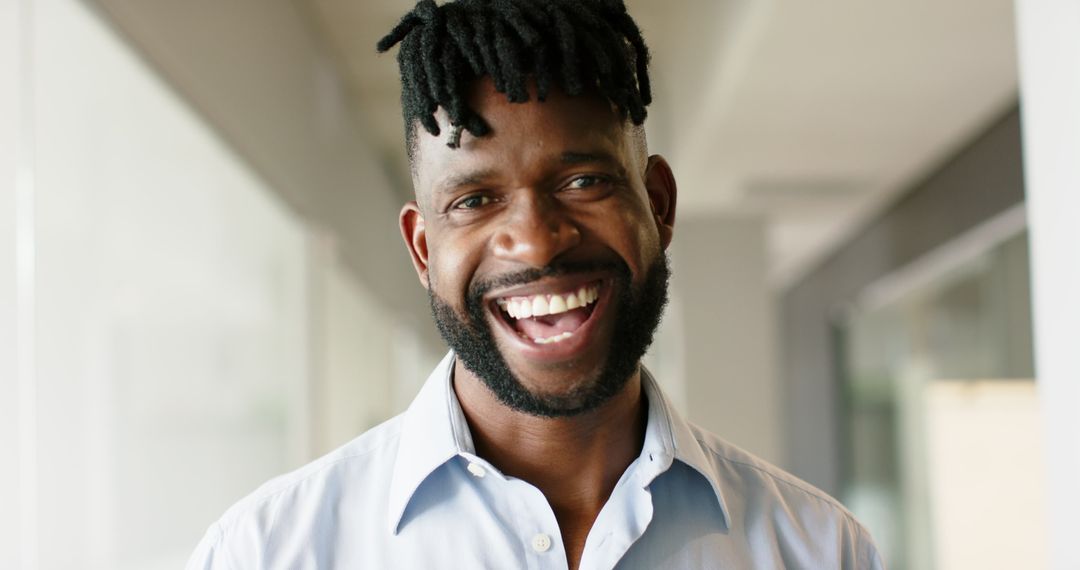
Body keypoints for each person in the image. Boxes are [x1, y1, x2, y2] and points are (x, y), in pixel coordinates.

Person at [187, 0, 884, 568]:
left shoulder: (820, 550)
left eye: (583, 182)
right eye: (474, 200)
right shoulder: (267, 552)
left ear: (659, 205)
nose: (538, 238)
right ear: (422, 248)